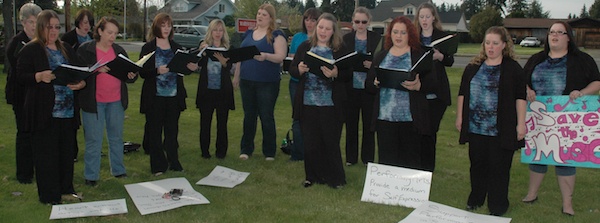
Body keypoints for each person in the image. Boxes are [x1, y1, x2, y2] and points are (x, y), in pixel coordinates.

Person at [521, 21, 600, 216]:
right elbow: (521, 81)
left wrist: (581, 93)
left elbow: (597, 82)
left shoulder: (582, 59)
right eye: (551, 32)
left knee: (565, 159)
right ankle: (531, 194)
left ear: (568, 37)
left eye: (559, 32)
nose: (554, 35)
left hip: (567, 120)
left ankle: (567, 204)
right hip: (539, 117)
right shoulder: (536, 59)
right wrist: (528, 90)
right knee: (537, 157)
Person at [455, 26, 526, 216]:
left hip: (501, 129)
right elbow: (463, 93)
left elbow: (521, 97)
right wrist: (460, 117)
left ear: (504, 45)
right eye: (487, 43)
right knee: (477, 166)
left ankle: (498, 205)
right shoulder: (472, 67)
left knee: (499, 169)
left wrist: (521, 123)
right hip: (476, 128)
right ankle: (476, 199)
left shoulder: (513, 69)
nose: (491, 47)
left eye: (495, 43)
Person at [17, 9, 86, 204]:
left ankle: (66, 189)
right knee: (46, 156)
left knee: (66, 154)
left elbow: (79, 71)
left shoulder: (65, 48)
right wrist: (38, 77)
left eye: (57, 27)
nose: (54, 31)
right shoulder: (31, 49)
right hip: (44, 113)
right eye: (50, 27)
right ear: (41, 28)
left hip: (67, 112)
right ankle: (49, 196)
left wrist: (81, 83)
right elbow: (19, 77)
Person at [289, 13, 351, 189]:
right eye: (321, 27)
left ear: (333, 31)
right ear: (316, 28)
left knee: (330, 142)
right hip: (308, 103)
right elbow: (292, 69)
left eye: (328, 28)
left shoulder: (340, 49)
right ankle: (312, 176)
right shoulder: (305, 47)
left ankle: (336, 179)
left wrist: (336, 74)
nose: (323, 31)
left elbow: (348, 74)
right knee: (310, 143)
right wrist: (299, 70)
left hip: (331, 105)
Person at [364, 16, 435, 170]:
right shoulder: (381, 56)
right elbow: (368, 85)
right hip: (385, 118)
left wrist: (418, 86)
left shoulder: (419, 55)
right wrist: (375, 83)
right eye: (395, 32)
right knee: (387, 161)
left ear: (410, 34)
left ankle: (408, 194)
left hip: (410, 119)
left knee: (410, 161)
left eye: (403, 33)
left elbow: (433, 83)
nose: (398, 36)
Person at [77, 17, 138, 186]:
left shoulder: (118, 50)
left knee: (116, 138)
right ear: (100, 31)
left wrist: (131, 75)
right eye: (109, 32)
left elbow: (129, 73)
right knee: (94, 139)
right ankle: (91, 176)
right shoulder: (86, 50)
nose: (113, 37)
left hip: (116, 101)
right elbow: (78, 73)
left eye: (115, 33)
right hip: (93, 101)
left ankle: (118, 170)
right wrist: (96, 70)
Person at [139, 13, 198, 175]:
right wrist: (157, 71)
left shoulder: (176, 47)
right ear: (156, 27)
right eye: (163, 25)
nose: (166, 29)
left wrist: (190, 68)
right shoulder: (148, 48)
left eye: (168, 26)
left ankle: (174, 162)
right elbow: (142, 72)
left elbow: (182, 69)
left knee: (172, 132)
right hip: (155, 97)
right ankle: (158, 165)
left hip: (173, 96)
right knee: (155, 132)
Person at [233, 3, 287, 161]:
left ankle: (269, 152)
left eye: (264, 14)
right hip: (247, 80)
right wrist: (236, 76)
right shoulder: (249, 33)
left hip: (267, 83)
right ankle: (246, 149)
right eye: (258, 13)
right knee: (249, 116)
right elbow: (240, 56)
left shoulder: (276, 35)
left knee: (266, 116)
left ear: (271, 18)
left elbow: (281, 56)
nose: (260, 16)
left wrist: (265, 56)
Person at [414, 3, 455, 172]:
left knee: (430, 132)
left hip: (437, 92)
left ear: (433, 18)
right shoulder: (413, 37)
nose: (424, 20)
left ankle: (428, 170)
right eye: (421, 17)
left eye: (427, 16)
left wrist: (440, 56)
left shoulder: (442, 37)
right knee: (418, 132)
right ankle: (417, 167)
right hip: (418, 90)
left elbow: (450, 61)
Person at [5, 3, 42, 184]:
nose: (34, 26)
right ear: (23, 22)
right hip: (20, 95)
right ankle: (24, 174)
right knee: (24, 133)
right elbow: (18, 69)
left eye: (37, 22)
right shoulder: (17, 42)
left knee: (35, 133)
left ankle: (35, 169)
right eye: (31, 22)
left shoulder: (38, 42)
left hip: (34, 94)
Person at [342, 7, 380, 166]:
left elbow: (383, 60)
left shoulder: (377, 38)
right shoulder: (347, 39)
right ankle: (351, 158)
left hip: (369, 88)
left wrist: (373, 65)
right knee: (351, 124)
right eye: (357, 21)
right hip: (350, 87)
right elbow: (342, 60)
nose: (360, 25)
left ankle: (368, 159)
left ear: (369, 22)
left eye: (364, 22)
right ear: (353, 22)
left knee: (369, 126)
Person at [286, 7, 321, 161]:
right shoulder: (298, 38)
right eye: (306, 19)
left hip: (316, 85)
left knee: (314, 119)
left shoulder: (323, 38)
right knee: (298, 118)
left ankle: (313, 151)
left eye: (313, 20)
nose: (309, 23)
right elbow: (292, 60)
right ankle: (298, 153)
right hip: (297, 83)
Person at [196, 19, 234, 159]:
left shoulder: (228, 48)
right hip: (206, 91)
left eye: (220, 30)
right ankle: (205, 151)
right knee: (205, 123)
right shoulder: (205, 47)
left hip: (222, 92)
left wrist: (225, 63)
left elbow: (230, 67)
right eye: (215, 30)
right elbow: (197, 64)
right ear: (210, 31)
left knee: (222, 124)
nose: (218, 33)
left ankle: (221, 152)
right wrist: (201, 51)